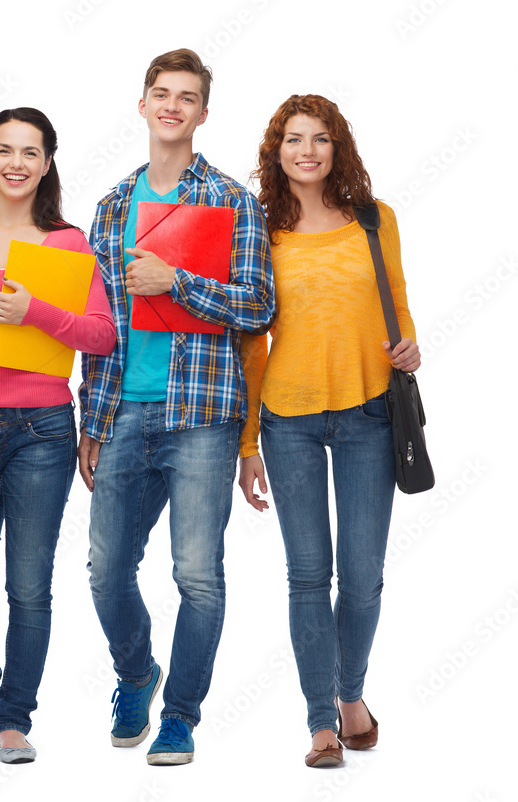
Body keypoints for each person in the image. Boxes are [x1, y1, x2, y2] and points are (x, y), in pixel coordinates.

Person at [78, 49, 275, 766]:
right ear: (142, 105)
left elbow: (258, 305)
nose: (172, 106)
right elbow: (95, 327)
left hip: (203, 415)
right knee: (106, 568)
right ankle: (137, 672)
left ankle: (181, 716)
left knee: (198, 573)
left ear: (201, 113)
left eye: (186, 97)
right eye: (161, 94)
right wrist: (90, 423)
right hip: (124, 410)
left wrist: (177, 280)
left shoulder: (232, 201)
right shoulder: (109, 208)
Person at [0, 108, 116, 764]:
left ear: (47, 163)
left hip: (43, 427)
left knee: (30, 585)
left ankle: (15, 715)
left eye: (30, 152)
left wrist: (35, 311)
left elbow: (100, 335)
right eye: (5, 149)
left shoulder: (68, 242)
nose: (16, 162)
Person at [239, 94, 419, 768]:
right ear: (276, 151)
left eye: (319, 139)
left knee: (364, 577)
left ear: (337, 148)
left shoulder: (376, 220)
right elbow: (251, 342)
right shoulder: (258, 230)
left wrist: (410, 345)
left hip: (370, 412)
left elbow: (395, 303)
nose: (306, 150)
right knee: (308, 576)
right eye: (293, 139)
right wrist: (247, 441)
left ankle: (351, 695)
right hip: (288, 419)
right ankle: (320, 723)